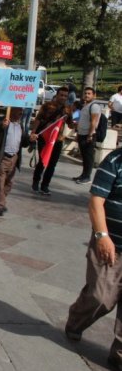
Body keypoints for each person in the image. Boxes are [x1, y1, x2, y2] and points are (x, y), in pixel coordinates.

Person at [65, 146, 122, 370]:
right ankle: (77, 320)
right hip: (110, 245)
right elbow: (96, 200)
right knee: (100, 297)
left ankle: (119, 355)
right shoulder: (115, 160)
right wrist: (102, 235)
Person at [29, 86, 71, 195]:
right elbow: (38, 119)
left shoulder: (67, 109)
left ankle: (45, 185)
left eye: (65, 96)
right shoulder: (47, 106)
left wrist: (76, 120)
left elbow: (71, 125)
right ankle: (36, 181)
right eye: (61, 95)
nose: (63, 97)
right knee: (43, 161)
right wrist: (33, 133)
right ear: (57, 95)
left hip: (58, 140)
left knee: (52, 164)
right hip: (45, 138)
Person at [0, 107, 31, 216]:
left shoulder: (21, 125)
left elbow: (24, 143)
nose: (21, 112)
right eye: (19, 110)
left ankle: (0, 201)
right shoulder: (1, 121)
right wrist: (1, 127)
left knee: (9, 183)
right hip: (2, 157)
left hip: (14, 158)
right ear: (11, 110)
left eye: (22, 110)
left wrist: (31, 139)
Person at [73, 87, 102, 184]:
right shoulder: (85, 105)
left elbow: (94, 121)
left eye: (89, 93)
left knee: (88, 157)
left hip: (89, 135)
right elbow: (80, 120)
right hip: (82, 134)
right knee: (84, 156)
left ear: (94, 95)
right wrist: (78, 133)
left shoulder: (94, 106)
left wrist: (90, 135)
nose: (86, 95)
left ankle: (87, 177)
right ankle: (83, 175)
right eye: (85, 93)